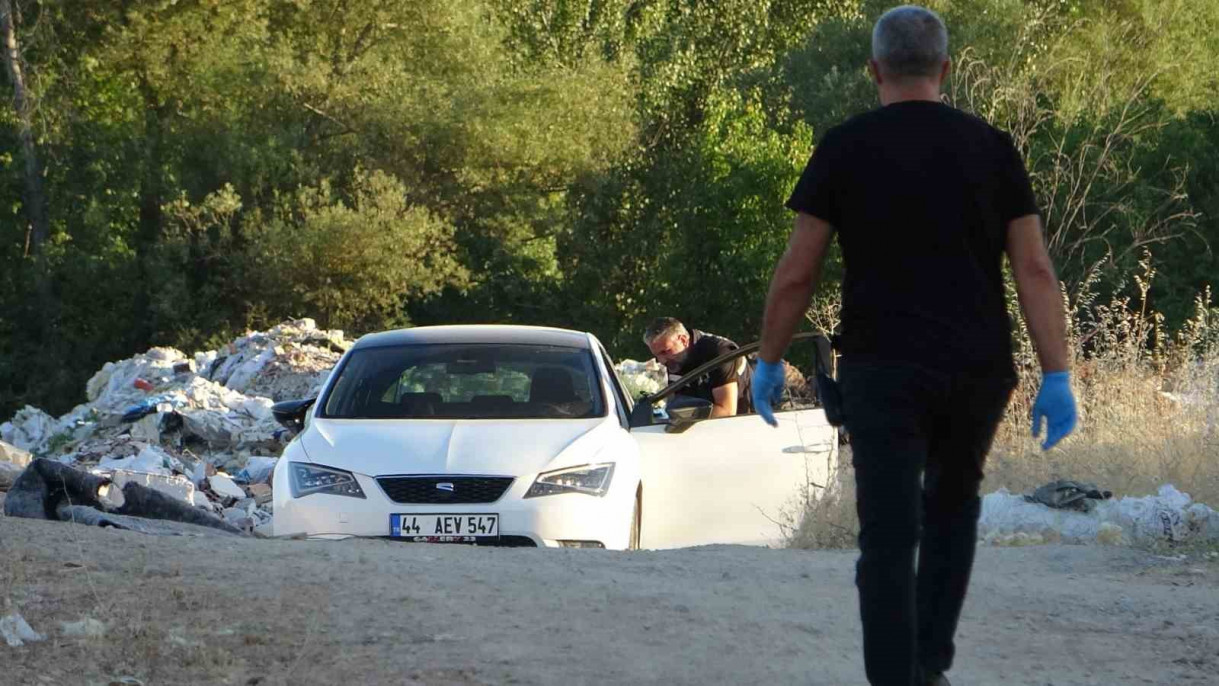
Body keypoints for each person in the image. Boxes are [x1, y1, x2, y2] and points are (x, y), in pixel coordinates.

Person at [751, 6, 1078, 686]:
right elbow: (1034, 270)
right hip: (975, 369)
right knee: (953, 511)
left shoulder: (844, 147)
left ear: (873, 69)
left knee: (887, 532)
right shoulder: (991, 148)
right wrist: (1056, 373)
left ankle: (895, 678)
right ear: (944, 69)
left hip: (880, 368)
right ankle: (929, 665)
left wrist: (770, 359)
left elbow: (797, 271)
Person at [643, 317, 753, 418]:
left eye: (665, 351)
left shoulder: (718, 353)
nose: (662, 360)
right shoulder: (673, 358)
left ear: (683, 340)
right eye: (657, 355)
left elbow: (726, 412)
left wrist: (680, 416)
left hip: (749, 423)